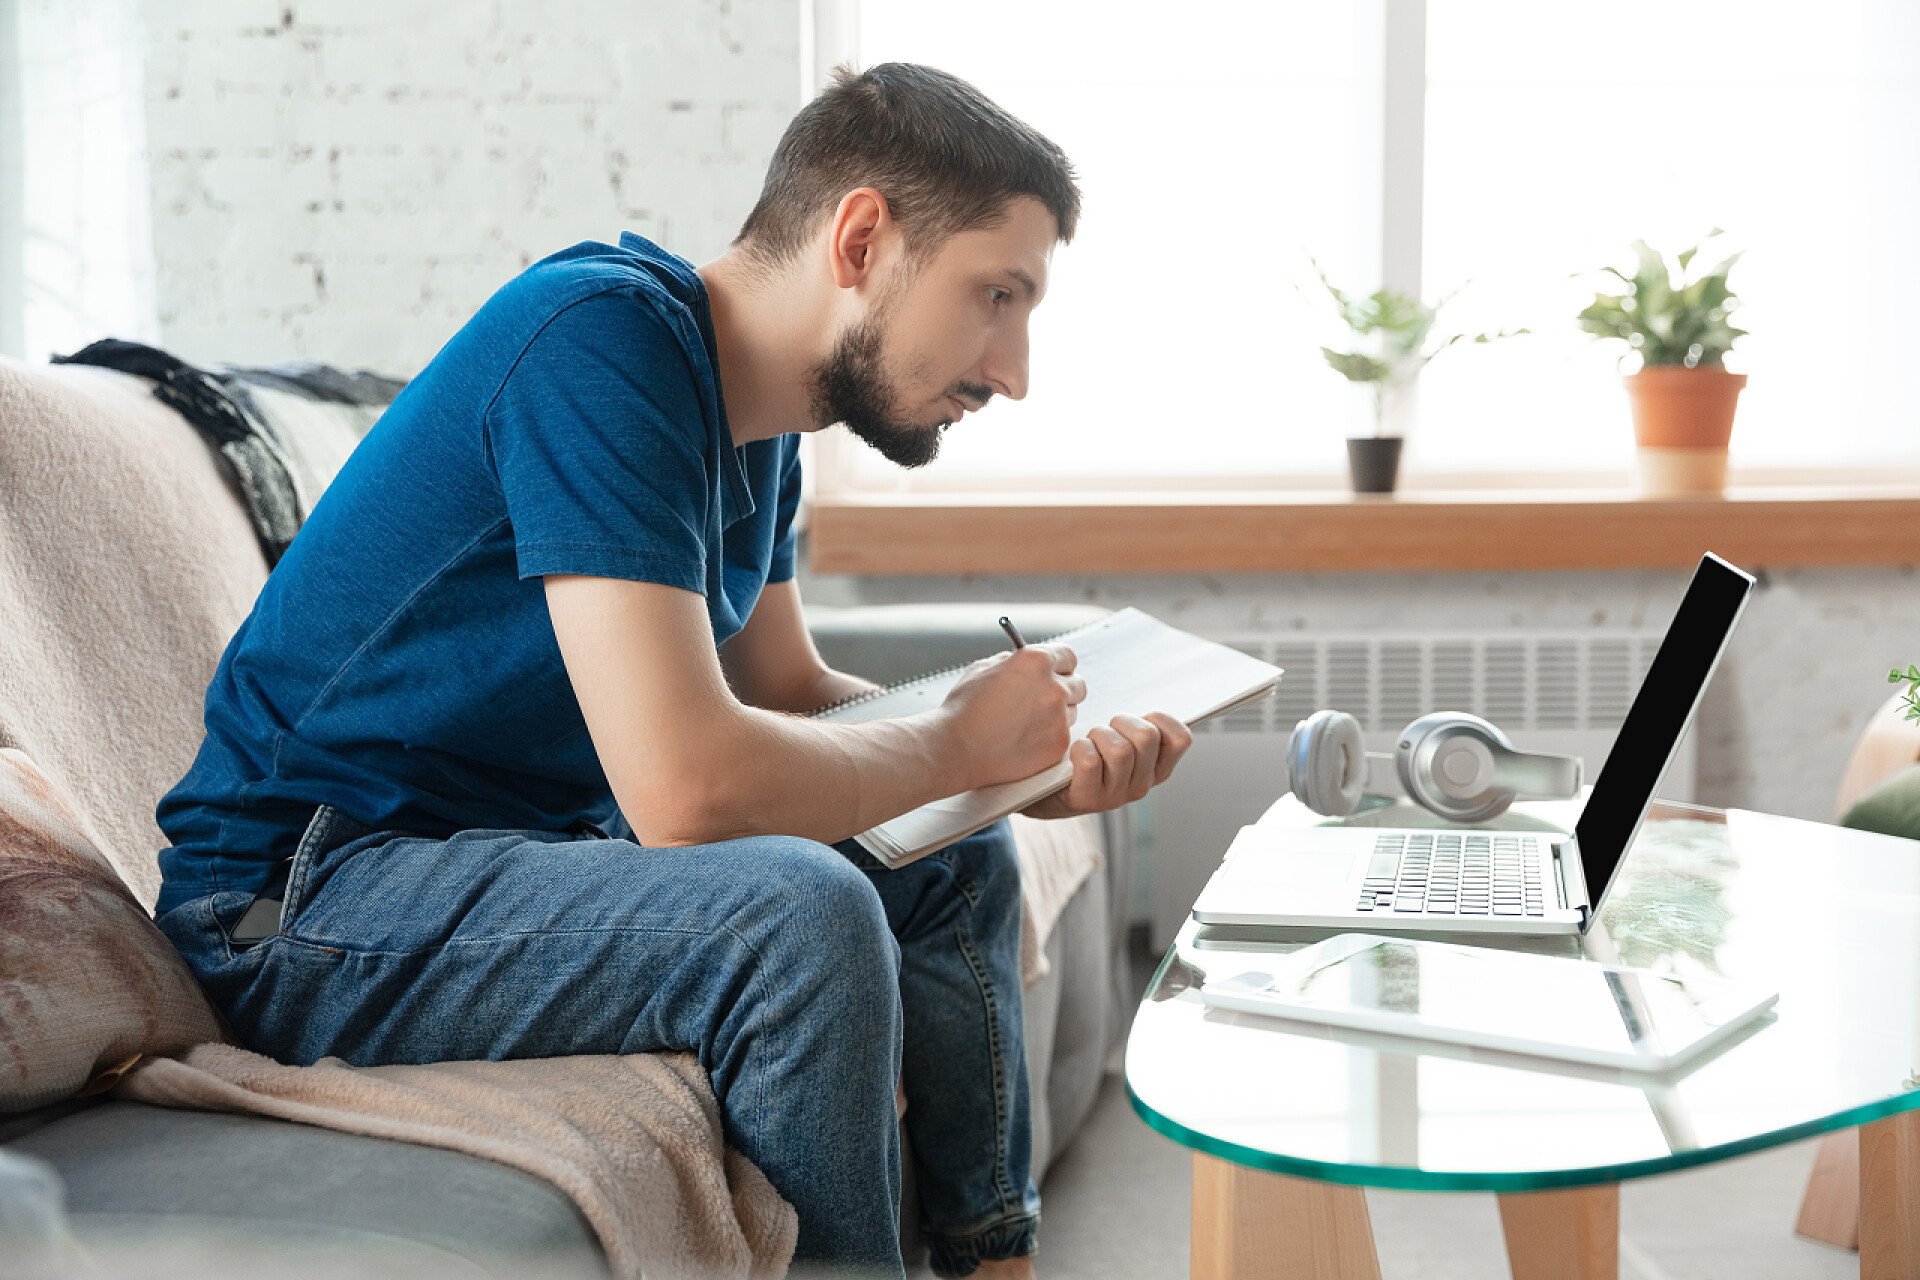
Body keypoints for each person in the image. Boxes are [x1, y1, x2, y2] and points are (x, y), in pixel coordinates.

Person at [153, 62, 1192, 1278]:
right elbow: (689, 792)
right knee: (801, 917)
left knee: (952, 848)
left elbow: (792, 694)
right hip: (302, 897)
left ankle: (989, 1259)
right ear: (863, 236)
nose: (1013, 368)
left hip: (509, 857)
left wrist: (1020, 771)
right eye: (994, 295)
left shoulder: (768, 430)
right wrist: (960, 741)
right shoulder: (601, 342)